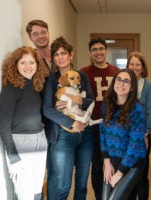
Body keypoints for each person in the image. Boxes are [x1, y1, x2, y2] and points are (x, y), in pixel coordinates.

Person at [43, 36, 95, 200]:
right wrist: (72, 122)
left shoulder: (82, 76)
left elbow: (91, 101)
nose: (60, 57)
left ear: (71, 55)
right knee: (62, 185)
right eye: (56, 54)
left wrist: (77, 100)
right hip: (62, 136)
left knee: (81, 185)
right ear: (53, 58)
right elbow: (47, 109)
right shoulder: (51, 80)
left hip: (85, 136)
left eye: (63, 53)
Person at [0, 46, 49, 200]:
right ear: (15, 65)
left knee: (36, 192)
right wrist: (13, 158)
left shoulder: (36, 86)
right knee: (24, 194)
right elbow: (4, 127)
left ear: (37, 65)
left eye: (32, 63)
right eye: (23, 63)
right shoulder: (10, 89)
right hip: (20, 144)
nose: (28, 67)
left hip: (40, 140)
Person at [81, 37, 119, 200]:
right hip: (93, 127)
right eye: (94, 49)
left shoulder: (116, 71)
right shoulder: (83, 73)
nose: (98, 52)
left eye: (101, 49)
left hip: (114, 127)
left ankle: (114, 195)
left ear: (106, 51)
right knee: (97, 166)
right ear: (90, 53)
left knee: (115, 164)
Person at [100, 68, 147, 200]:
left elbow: (135, 145)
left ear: (132, 87)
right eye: (119, 79)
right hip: (112, 161)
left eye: (126, 81)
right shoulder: (106, 105)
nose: (121, 84)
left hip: (132, 163)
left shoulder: (137, 109)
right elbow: (102, 134)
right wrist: (107, 163)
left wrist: (120, 173)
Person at [126, 52, 151, 200]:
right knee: (128, 173)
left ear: (143, 67)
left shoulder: (149, 87)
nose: (134, 67)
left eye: (138, 64)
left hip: (142, 137)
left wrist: (144, 134)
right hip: (124, 138)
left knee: (141, 174)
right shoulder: (123, 83)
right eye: (132, 64)